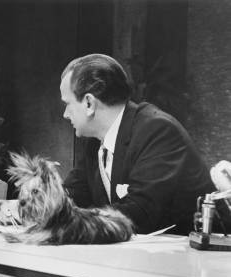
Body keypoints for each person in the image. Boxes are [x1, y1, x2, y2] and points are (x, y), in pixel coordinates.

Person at [60, 53, 214, 235]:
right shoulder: (95, 144)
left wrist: (63, 220)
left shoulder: (157, 130)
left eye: (68, 104)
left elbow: (139, 214)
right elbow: (70, 197)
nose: (65, 114)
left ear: (89, 103)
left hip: (192, 258)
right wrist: (29, 206)